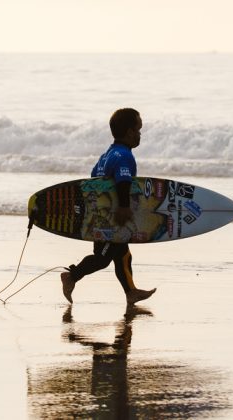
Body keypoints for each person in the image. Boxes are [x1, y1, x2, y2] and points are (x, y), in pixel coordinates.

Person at [60, 108, 157, 305]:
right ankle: (71, 276)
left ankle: (131, 292)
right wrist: (123, 207)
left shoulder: (107, 155)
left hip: (102, 215)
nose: (140, 134)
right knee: (102, 258)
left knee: (123, 254)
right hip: (112, 218)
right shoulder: (125, 156)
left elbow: (94, 181)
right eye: (138, 130)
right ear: (129, 132)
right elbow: (123, 181)